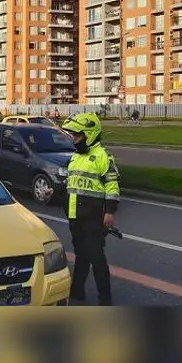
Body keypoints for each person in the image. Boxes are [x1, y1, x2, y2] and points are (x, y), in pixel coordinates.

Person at [59, 112, 120, 306]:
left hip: (93, 217)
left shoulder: (102, 156)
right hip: (75, 216)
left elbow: (112, 186)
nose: (74, 139)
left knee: (97, 258)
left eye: (77, 135)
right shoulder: (76, 156)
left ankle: (105, 298)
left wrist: (110, 211)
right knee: (81, 255)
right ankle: (77, 291)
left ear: (90, 134)